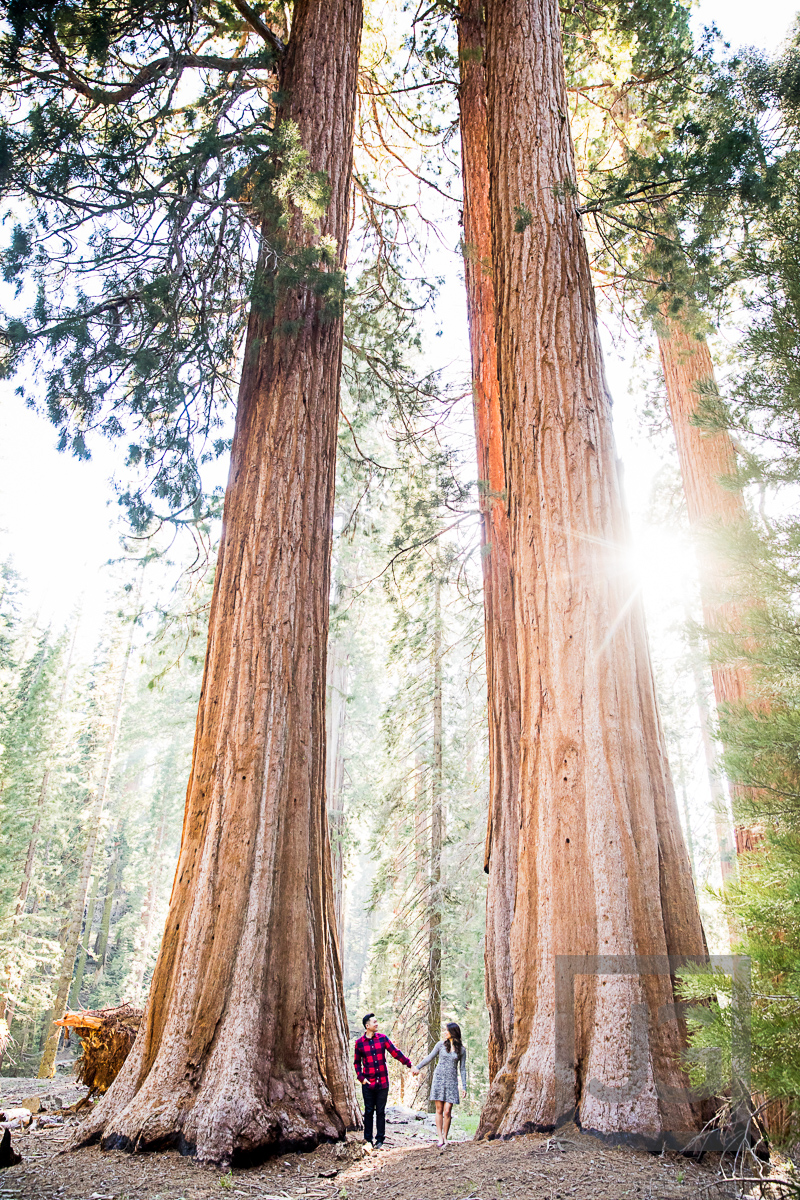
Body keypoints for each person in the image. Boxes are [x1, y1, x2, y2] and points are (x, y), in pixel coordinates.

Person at [353, 1012, 413, 1149]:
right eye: (374, 1022)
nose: (377, 1024)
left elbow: (395, 1053)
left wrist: (409, 1064)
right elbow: (356, 1063)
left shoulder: (383, 1039)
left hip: (383, 1082)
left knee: (380, 1111)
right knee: (368, 1111)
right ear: (367, 1026)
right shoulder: (359, 1043)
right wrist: (361, 1078)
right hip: (368, 1083)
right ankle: (368, 1140)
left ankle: (380, 1139)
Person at [412, 1021, 467, 1148]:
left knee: (447, 1111)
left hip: (451, 1081)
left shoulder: (462, 1050)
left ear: (453, 1032)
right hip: (439, 1079)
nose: (445, 1032)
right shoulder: (440, 1045)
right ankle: (440, 1138)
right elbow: (429, 1057)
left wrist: (464, 1086)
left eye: (447, 1030)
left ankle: (446, 1136)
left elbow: (462, 1069)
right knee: (439, 1109)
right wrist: (417, 1067)